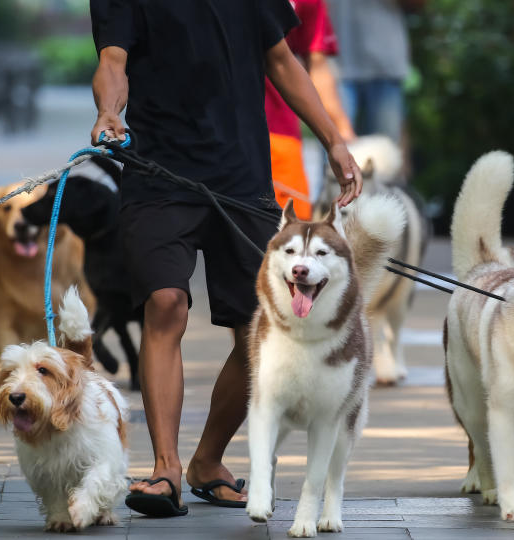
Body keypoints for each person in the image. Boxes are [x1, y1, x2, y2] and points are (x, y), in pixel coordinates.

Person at [90, 0, 364, 517]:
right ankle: (165, 469)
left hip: (242, 178)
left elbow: (281, 60)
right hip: (158, 173)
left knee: (261, 330)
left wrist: (332, 139)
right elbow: (112, 61)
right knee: (165, 302)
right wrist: (108, 112)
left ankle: (207, 461)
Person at [266, 0, 355, 219]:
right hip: (197, 127)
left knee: (288, 231)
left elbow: (317, 66)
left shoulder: (309, 2)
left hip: (279, 132)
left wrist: (341, 133)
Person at [330, 0, 421, 144]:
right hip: (333, 65)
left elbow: (417, 5)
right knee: (335, 148)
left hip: (385, 65)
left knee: (386, 154)